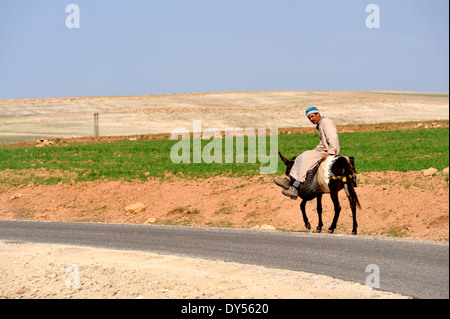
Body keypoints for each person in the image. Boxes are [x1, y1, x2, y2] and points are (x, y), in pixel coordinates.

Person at [274, 106, 340, 199]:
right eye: (309, 118)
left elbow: (333, 137)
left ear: (318, 114)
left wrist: (331, 152)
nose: (311, 119)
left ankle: (295, 187)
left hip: (325, 150)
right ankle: (288, 180)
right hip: (320, 149)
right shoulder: (320, 123)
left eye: (312, 116)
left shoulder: (325, 122)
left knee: (305, 159)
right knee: (300, 157)